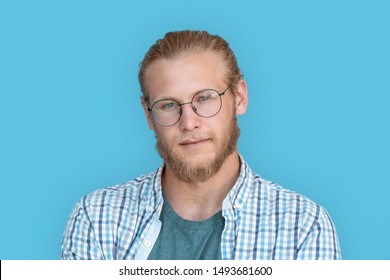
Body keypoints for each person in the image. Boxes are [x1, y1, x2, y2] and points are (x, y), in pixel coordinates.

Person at [61, 30, 341, 260]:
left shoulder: (303, 227)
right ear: (148, 115)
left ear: (239, 98)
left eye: (205, 98)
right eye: (169, 105)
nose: (189, 122)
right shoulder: (96, 220)